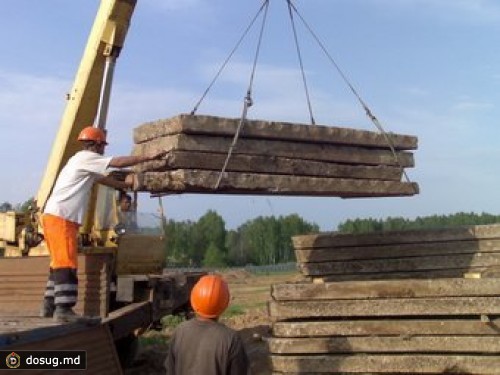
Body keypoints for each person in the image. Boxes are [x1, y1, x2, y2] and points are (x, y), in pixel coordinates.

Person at [40, 125, 166, 322]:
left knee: (58, 262)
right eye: (103, 146)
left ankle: (48, 305)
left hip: (56, 216)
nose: (104, 149)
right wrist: (148, 157)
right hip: (61, 217)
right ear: (97, 144)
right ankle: (63, 310)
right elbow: (117, 162)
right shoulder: (87, 158)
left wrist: (124, 185)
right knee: (66, 262)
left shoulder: (80, 162)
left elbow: (103, 180)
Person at [165, 274, 250, 375]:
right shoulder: (231, 339)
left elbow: (170, 370)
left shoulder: (180, 331)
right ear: (224, 304)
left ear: (194, 299)